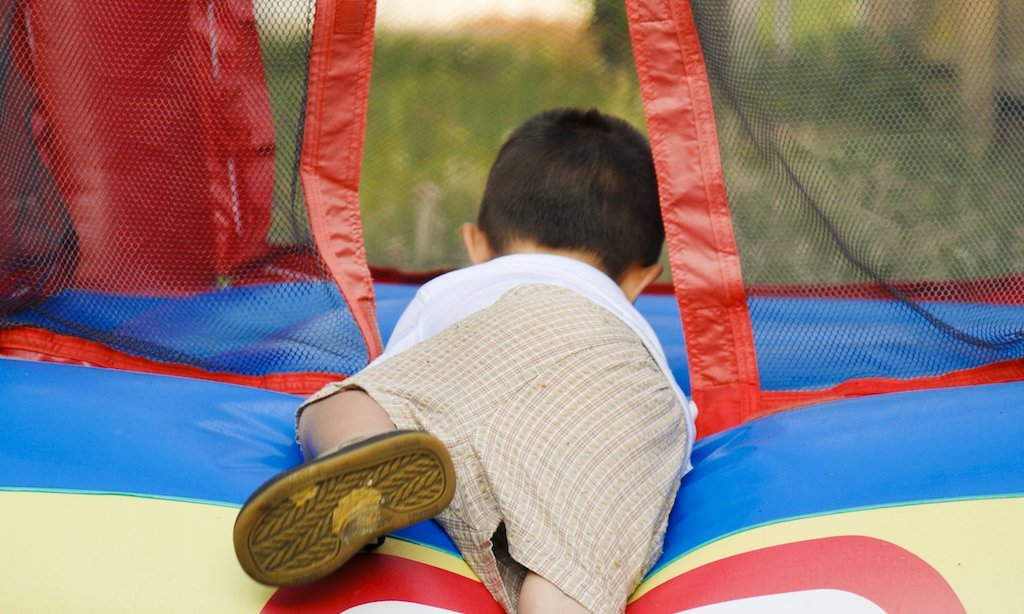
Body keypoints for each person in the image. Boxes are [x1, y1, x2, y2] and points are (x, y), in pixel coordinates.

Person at [233, 108, 696, 613]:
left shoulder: (463, 289)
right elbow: (674, 431)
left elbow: (406, 372)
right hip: (622, 386)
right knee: (570, 573)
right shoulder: (633, 331)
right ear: (639, 279)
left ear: (477, 243)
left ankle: (360, 453)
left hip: (499, 332)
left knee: (357, 400)